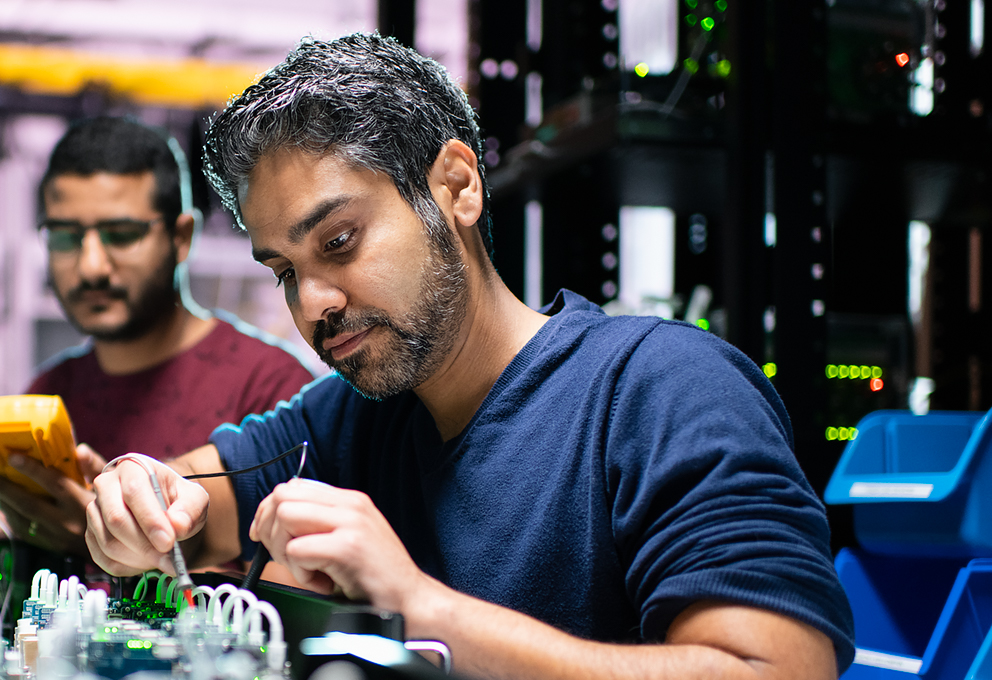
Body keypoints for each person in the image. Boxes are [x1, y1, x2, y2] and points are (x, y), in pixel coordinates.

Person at [83, 35, 856, 680]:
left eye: (340, 242)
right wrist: (135, 500)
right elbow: (186, 501)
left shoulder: (661, 390)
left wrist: (419, 611)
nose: (312, 302)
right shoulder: (359, 416)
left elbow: (779, 669)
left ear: (455, 186)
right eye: (285, 271)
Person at [0, 117, 315, 555]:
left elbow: (301, 588)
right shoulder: (51, 394)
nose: (91, 266)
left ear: (181, 237)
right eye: (66, 237)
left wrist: (113, 539)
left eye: (122, 235)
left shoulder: (272, 391)